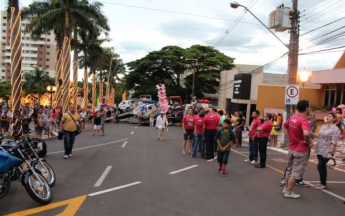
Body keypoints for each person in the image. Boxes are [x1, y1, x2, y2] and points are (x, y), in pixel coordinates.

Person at [282, 100, 312, 199]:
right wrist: (308, 142)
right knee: (296, 172)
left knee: (289, 170)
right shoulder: (304, 120)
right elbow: (306, 133)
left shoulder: (292, 118)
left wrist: (289, 137)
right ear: (307, 108)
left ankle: (286, 189)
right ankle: (289, 192)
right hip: (301, 149)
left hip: (292, 148)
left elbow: (284, 126)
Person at [312, 112, 341, 189]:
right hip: (320, 148)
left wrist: (330, 152)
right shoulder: (324, 126)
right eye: (327, 116)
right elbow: (320, 136)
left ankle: (323, 183)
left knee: (320, 166)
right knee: (322, 166)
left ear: (334, 119)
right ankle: (322, 182)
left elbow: (334, 141)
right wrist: (311, 134)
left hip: (327, 150)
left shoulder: (335, 129)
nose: (327, 117)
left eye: (330, 116)